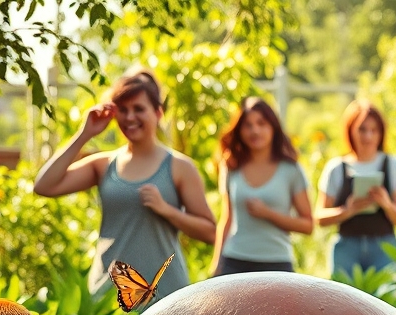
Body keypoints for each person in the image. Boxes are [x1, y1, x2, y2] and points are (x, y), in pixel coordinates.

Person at [34, 68, 216, 297]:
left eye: (139, 109)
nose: (130, 117)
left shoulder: (180, 167)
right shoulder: (103, 165)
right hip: (109, 295)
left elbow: (210, 232)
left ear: (158, 113)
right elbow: (43, 185)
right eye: (123, 110)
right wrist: (85, 134)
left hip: (165, 295)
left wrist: (167, 210)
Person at [210, 97, 314, 276]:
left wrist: (268, 214)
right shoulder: (231, 166)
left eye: (261, 123)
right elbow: (227, 219)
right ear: (240, 130)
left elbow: (308, 225)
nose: (255, 131)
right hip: (234, 262)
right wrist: (216, 264)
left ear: (273, 127)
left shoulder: (291, 170)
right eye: (248, 125)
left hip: (277, 264)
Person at [316, 99, 396, 278]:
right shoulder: (336, 168)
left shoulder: (393, 165)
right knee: (343, 303)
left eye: (374, 130)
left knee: (384, 303)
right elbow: (319, 218)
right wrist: (348, 210)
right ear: (350, 130)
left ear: (381, 133)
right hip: (346, 248)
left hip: (384, 247)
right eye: (362, 129)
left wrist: (386, 203)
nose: (368, 136)